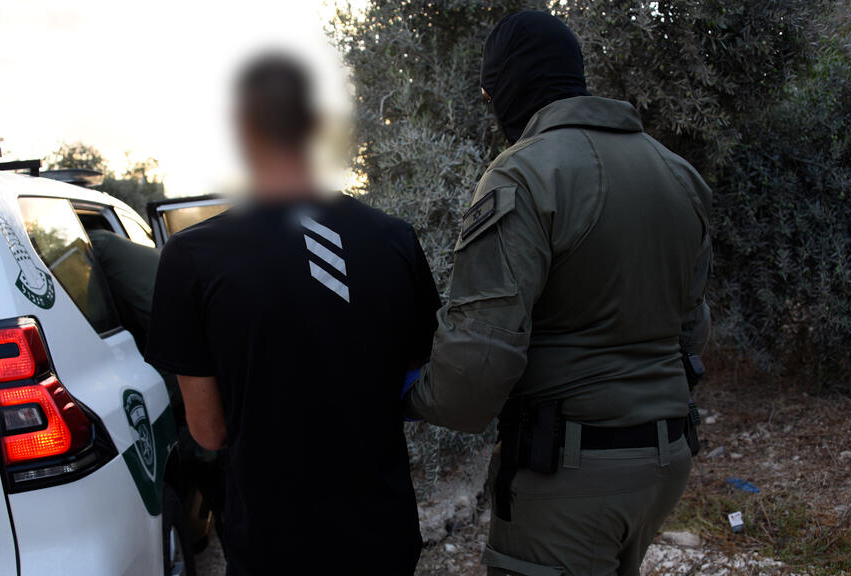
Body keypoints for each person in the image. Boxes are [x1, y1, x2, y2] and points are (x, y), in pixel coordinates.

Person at [403, 11, 713, 576]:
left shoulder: (524, 174)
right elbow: (691, 330)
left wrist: (411, 395)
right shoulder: (678, 173)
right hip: (665, 459)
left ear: (504, 90)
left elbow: (477, 365)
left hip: (570, 471)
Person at [145, 53, 440, 576]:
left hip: (272, 545)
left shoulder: (193, 257)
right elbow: (418, 383)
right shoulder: (394, 240)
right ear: (315, 125)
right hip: (381, 535)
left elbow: (210, 431)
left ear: (241, 127)